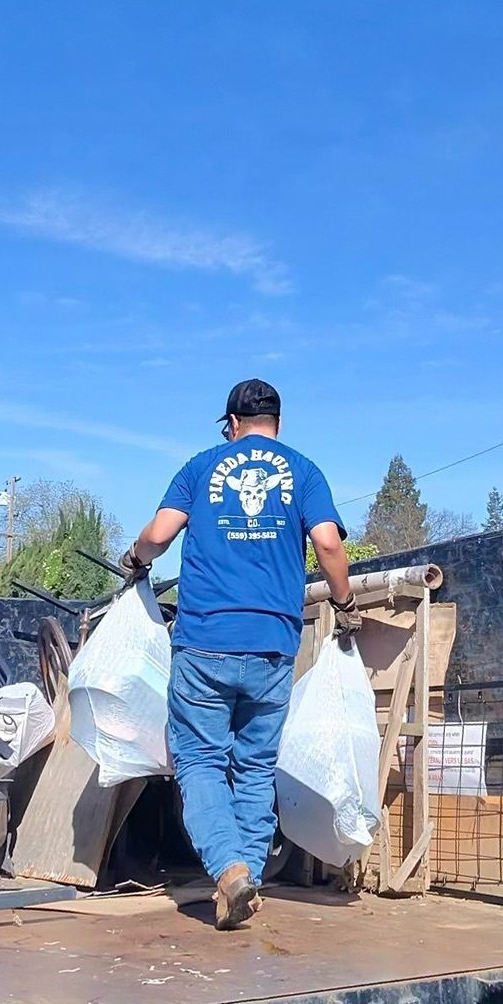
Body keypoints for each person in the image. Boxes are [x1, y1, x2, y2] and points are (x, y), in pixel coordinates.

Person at [121, 379, 361, 930]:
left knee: (201, 760)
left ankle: (229, 868)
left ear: (232, 424)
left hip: (206, 639)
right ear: (277, 424)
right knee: (254, 768)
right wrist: (344, 602)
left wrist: (136, 559)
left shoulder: (202, 466)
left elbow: (160, 533)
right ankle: (246, 878)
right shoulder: (303, 471)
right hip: (274, 644)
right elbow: (327, 542)